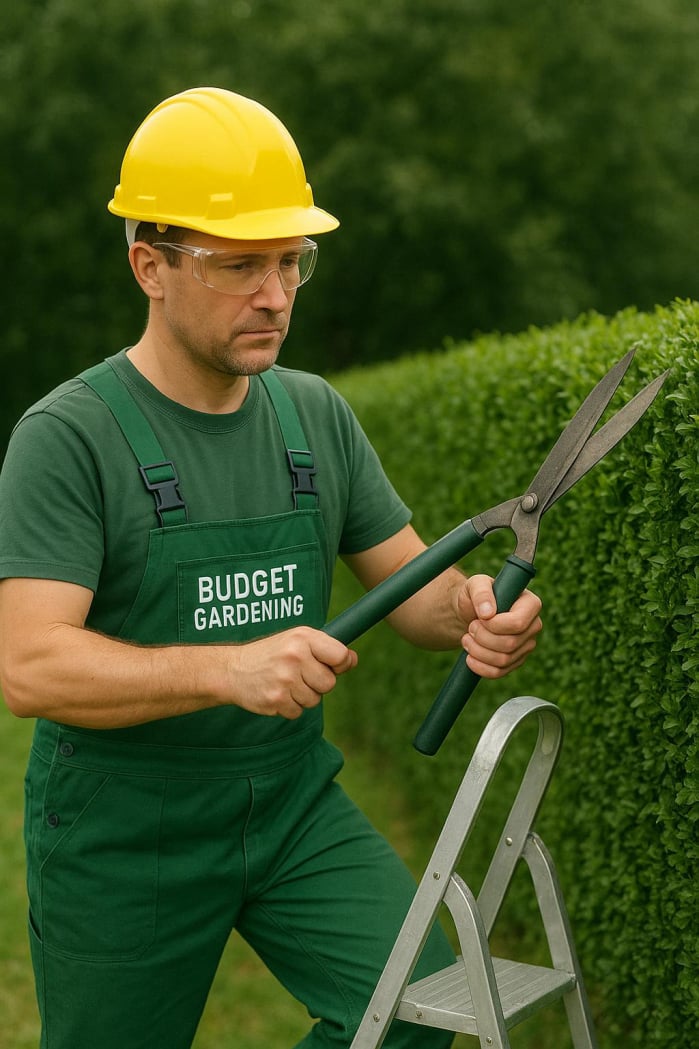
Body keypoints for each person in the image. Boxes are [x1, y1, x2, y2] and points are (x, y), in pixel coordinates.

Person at [0, 87, 542, 1049]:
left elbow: (414, 596)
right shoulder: (68, 436)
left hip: (292, 807)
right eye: (238, 264)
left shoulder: (312, 414)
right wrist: (224, 667)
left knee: (421, 1004)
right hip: (128, 835)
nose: (276, 294)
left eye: (292, 261)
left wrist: (470, 608)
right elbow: (30, 666)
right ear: (149, 266)